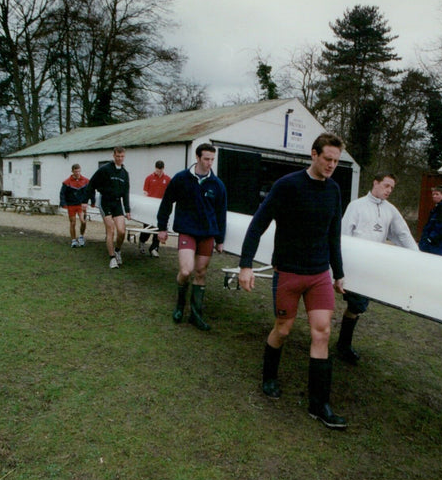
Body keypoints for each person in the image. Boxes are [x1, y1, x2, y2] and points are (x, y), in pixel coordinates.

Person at [238, 133, 348, 429]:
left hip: (319, 274)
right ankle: (269, 377)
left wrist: (338, 273)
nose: (331, 165)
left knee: (322, 333)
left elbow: (333, 235)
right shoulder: (287, 186)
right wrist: (245, 265)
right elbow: (257, 225)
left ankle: (319, 404)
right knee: (283, 329)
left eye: (336, 161)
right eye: (327, 159)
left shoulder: (334, 190)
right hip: (288, 272)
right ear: (313, 154)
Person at [337, 172, 418, 364]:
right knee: (355, 305)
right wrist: (339, 267)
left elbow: (403, 234)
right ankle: (343, 346)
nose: (389, 190)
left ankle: (343, 344)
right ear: (376, 183)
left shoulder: (390, 210)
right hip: (353, 265)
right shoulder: (356, 206)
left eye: (391, 188)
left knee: (357, 308)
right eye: (386, 186)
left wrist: (418, 257)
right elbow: (343, 235)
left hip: (371, 268)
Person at [157, 143, 227, 331]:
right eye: (206, 159)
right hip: (187, 230)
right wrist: (162, 227)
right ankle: (180, 305)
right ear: (197, 158)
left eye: (212, 159)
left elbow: (221, 213)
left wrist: (220, 239)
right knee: (186, 271)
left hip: (207, 233)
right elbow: (166, 202)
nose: (209, 163)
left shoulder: (217, 185)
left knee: (201, 273)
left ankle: (196, 315)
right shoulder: (181, 179)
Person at [87, 146, 131, 269]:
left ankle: (117, 251)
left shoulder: (124, 173)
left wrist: (127, 210)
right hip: (105, 201)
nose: (120, 159)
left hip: (117, 203)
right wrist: (91, 200)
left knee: (122, 231)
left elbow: (126, 192)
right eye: (118, 156)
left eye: (122, 156)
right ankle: (112, 258)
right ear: (113, 156)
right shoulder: (105, 169)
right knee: (110, 229)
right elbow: (91, 184)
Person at [140, 160, 171, 258]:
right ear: (155, 168)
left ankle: (154, 248)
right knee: (147, 227)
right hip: (150, 207)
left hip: (161, 207)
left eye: (161, 170)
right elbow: (145, 193)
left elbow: (169, 194)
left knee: (159, 228)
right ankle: (142, 242)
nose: (159, 172)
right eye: (158, 170)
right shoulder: (149, 178)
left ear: (163, 168)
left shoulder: (167, 179)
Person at [59, 163, 94, 248]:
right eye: (75, 171)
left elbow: (91, 191)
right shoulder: (67, 182)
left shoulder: (85, 181)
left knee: (83, 221)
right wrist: (63, 203)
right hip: (71, 205)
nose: (77, 173)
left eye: (78, 171)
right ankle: (73, 240)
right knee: (73, 223)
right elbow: (62, 193)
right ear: (72, 171)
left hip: (81, 205)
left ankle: (81, 236)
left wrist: (93, 201)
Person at [418, 184, 442, 256]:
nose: (434, 196)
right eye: (433, 194)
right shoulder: (437, 207)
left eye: (437, 194)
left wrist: (430, 239)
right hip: (432, 244)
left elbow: (441, 228)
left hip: (437, 246)